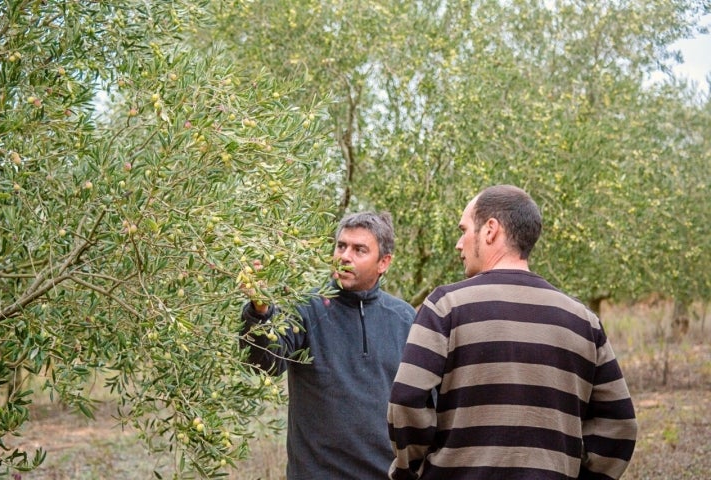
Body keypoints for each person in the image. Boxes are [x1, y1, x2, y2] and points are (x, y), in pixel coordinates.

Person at [387, 185, 637, 480]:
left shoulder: (445, 307)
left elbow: (406, 399)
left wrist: (411, 470)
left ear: (490, 230)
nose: (458, 244)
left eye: (464, 229)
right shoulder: (583, 320)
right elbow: (620, 424)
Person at [241, 211, 416, 479]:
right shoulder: (306, 308)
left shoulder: (404, 319)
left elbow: (423, 404)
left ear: (384, 262)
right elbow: (264, 362)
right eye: (341, 246)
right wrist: (260, 311)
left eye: (359, 250)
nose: (345, 256)